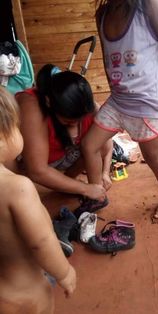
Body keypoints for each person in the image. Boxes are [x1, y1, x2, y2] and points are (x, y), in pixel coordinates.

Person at [81, 0, 158, 219]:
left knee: (153, 156)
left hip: (145, 104)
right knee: (89, 145)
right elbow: (108, 57)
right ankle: (95, 194)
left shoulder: (149, 6)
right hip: (118, 101)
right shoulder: (103, 13)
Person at [0, 86, 76, 313]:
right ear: (3, 137)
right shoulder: (17, 188)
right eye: (16, 126)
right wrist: (64, 272)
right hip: (24, 293)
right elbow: (41, 242)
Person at [15, 64, 113, 205]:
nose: (75, 125)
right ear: (49, 102)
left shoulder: (88, 105)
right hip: (35, 163)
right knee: (26, 190)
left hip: (63, 157)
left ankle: (82, 191)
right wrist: (85, 189)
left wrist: (105, 172)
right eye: (69, 122)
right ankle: (67, 187)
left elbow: (106, 144)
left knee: (95, 144)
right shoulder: (31, 105)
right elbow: (37, 170)